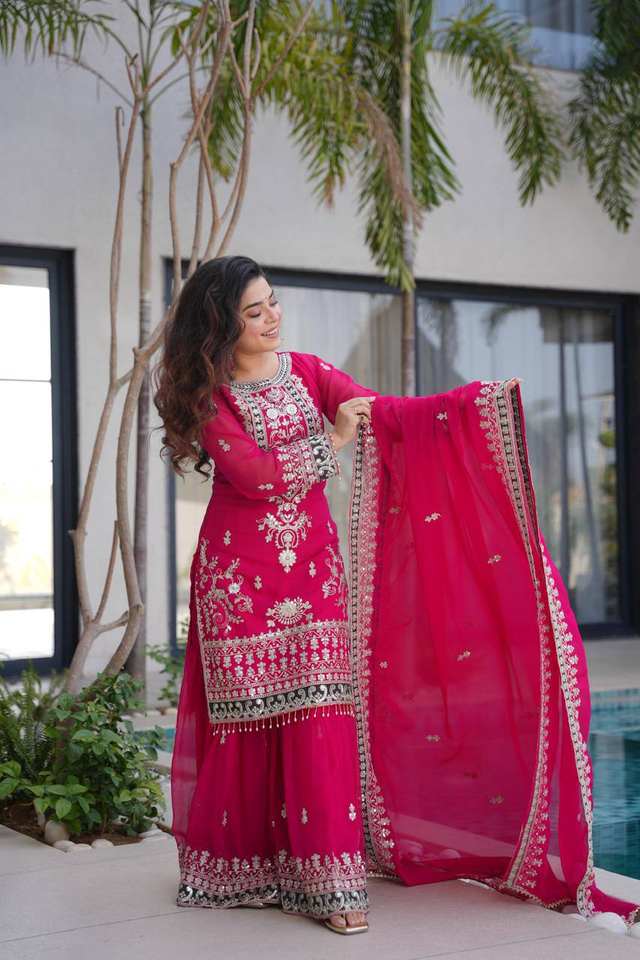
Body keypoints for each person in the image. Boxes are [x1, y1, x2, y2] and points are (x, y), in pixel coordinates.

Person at [155, 255, 640, 936]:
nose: (271, 319)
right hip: (239, 578)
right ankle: (247, 869)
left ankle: (330, 884)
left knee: (321, 713)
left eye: (273, 303)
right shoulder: (211, 399)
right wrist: (333, 439)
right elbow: (258, 476)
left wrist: (471, 406)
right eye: (254, 311)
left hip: (314, 572)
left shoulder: (309, 372)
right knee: (250, 717)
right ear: (219, 324)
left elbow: (387, 414)